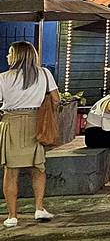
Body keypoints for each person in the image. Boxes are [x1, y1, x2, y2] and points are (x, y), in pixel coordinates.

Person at [0, 42, 60, 228]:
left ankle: (12, 215)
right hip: (37, 122)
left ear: (17, 55)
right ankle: (39, 208)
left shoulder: (3, 78)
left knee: (11, 171)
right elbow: (56, 99)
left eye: (10, 53)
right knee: (38, 168)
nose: (7, 56)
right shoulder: (44, 74)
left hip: (11, 122)